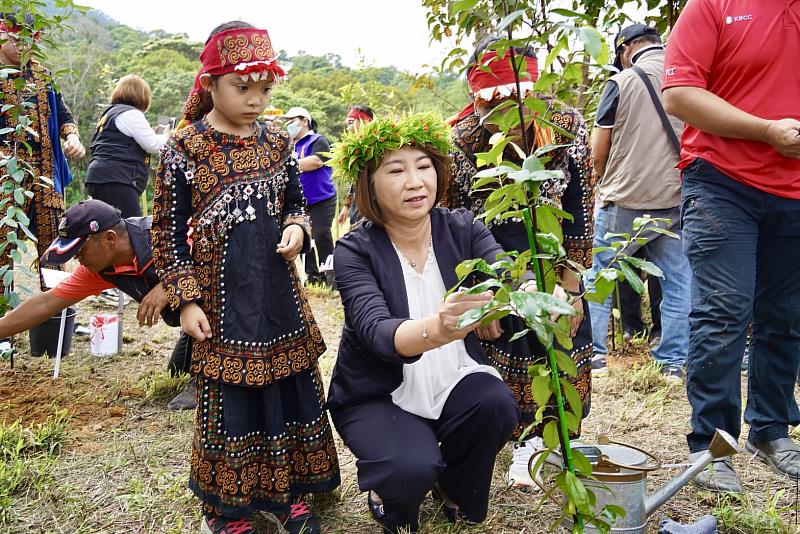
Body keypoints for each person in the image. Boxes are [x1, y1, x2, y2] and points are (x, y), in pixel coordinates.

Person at [152, 21, 339, 534]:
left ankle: (289, 496)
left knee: (288, 389)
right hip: (219, 304)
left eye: (265, 88)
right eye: (242, 87)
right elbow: (166, 234)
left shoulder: (279, 142)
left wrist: (298, 229)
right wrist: (187, 301)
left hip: (279, 297)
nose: (256, 100)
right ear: (210, 83)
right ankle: (227, 508)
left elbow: (296, 204)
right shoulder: (184, 147)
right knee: (231, 402)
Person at [326, 112, 519, 534]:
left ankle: (453, 486)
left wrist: (499, 301)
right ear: (369, 186)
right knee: (410, 467)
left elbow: (505, 273)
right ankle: (391, 495)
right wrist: (442, 327)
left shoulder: (462, 228)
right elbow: (377, 331)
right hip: (379, 393)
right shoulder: (355, 250)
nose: (415, 182)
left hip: (452, 377)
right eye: (396, 170)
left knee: (496, 405)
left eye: (424, 166)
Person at [662, 0, 800, 493]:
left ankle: (771, 430)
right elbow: (679, 93)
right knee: (725, 311)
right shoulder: (714, 5)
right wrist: (765, 130)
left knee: (784, 314)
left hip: (796, 193)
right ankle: (712, 446)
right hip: (722, 181)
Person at [445, 37, 594, 490]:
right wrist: (481, 297)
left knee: (559, 339)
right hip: (492, 254)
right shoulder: (462, 140)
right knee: (504, 344)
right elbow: (454, 226)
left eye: (519, 100)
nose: (510, 116)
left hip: (553, 248)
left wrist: (570, 285)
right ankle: (512, 439)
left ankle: (550, 441)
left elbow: (580, 209)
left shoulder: (566, 127)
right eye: (496, 104)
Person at [0, 199, 195, 408]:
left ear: (110, 239)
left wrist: (173, 282)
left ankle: (211, 380)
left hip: (227, 308)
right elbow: (47, 303)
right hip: (191, 321)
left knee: (203, 377)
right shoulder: (100, 268)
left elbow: (223, 258)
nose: (78, 260)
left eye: (80, 252)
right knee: (176, 373)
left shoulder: (167, 234)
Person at [588, 24, 691, 381]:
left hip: (625, 199)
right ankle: (673, 363)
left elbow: (598, 151)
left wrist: (601, 185)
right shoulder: (689, 77)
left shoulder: (621, 82)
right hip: (676, 199)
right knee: (680, 281)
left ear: (626, 49)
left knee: (601, 274)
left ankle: (595, 356)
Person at [0, 12, 85, 293]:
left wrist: (72, 136)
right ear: (2, 36)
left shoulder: (42, 74)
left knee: (54, 249)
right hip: (5, 176)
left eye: (32, 41)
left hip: (45, 175)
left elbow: (62, 114)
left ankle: (53, 320)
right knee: (3, 248)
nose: (26, 47)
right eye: (19, 39)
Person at [86, 74, 169, 218]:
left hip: (97, 177)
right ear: (142, 96)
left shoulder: (109, 114)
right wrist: (168, 136)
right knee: (128, 228)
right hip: (118, 179)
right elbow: (153, 145)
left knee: (106, 226)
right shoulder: (131, 114)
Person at [279, 106, 336, 285]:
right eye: (287, 122)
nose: (289, 125)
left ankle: (332, 276)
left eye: (292, 120)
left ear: (305, 121)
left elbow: (316, 162)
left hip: (322, 198)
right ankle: (313, 277)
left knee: (321, 235)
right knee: (303, 237)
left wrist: (287, 164)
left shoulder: (318, 140)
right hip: (301, 201)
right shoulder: (292, 145)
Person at [337, 104, 374, 227]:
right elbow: (354, 180)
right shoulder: (354, 149)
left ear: (364, 122)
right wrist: (347, 206)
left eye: (351, 122)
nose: (348, 128)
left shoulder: (379, 146)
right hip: (357, 206)